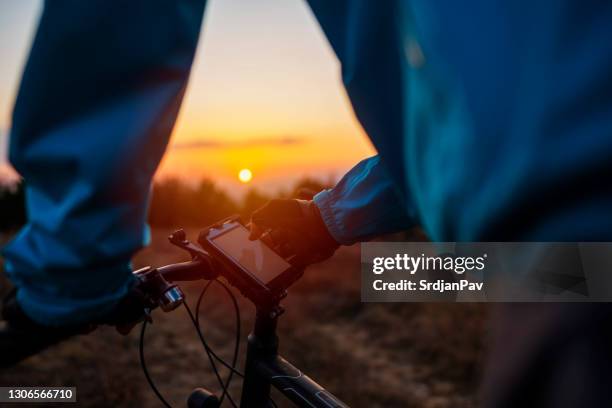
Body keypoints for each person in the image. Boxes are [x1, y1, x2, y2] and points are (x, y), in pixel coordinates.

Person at [2, 0, 612, 406]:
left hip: (571, 235)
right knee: (399, 275)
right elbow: (464, 142)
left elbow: (119, 26)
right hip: (556, 259)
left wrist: (70, 276)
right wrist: (327, 219)